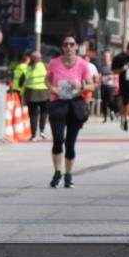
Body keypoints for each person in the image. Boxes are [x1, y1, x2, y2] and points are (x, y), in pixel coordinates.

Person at [45, 33, 97, 189]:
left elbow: (92, 85)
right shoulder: (54, 63)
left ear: (76, 47)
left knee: (70, 143)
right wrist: (52, 88)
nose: (68, 47)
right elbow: (46, 79)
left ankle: (68, 175)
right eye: (66, 44)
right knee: (57, 139)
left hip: (75, 105)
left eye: (72, 44)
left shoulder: (83, 64)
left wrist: (81, 86)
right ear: (62, 47)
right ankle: (57, 173)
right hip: (58, 103)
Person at [23, 51, 49, 141]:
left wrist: (22, 94)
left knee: (33, 115)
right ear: (40, 58)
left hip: (31, 93)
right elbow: (50, 78)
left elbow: (22, 82)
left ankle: (33, 135)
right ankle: (42, 131)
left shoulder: (27, 68)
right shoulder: (44, 66)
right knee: (44, 112)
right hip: (44, 92)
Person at [98, 51, 118, 123]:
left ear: (110, 58)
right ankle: (105, 117)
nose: (105, 58)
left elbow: (116, 75)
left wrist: (109, 77)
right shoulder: (101, 67)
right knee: (104, 102)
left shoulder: (113, 66)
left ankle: (113, 112)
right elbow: (99, 75)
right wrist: (100, 78)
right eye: (104, 57)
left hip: (111, 86)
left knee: (110, 100)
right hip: (103, 86)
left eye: (107, 57)